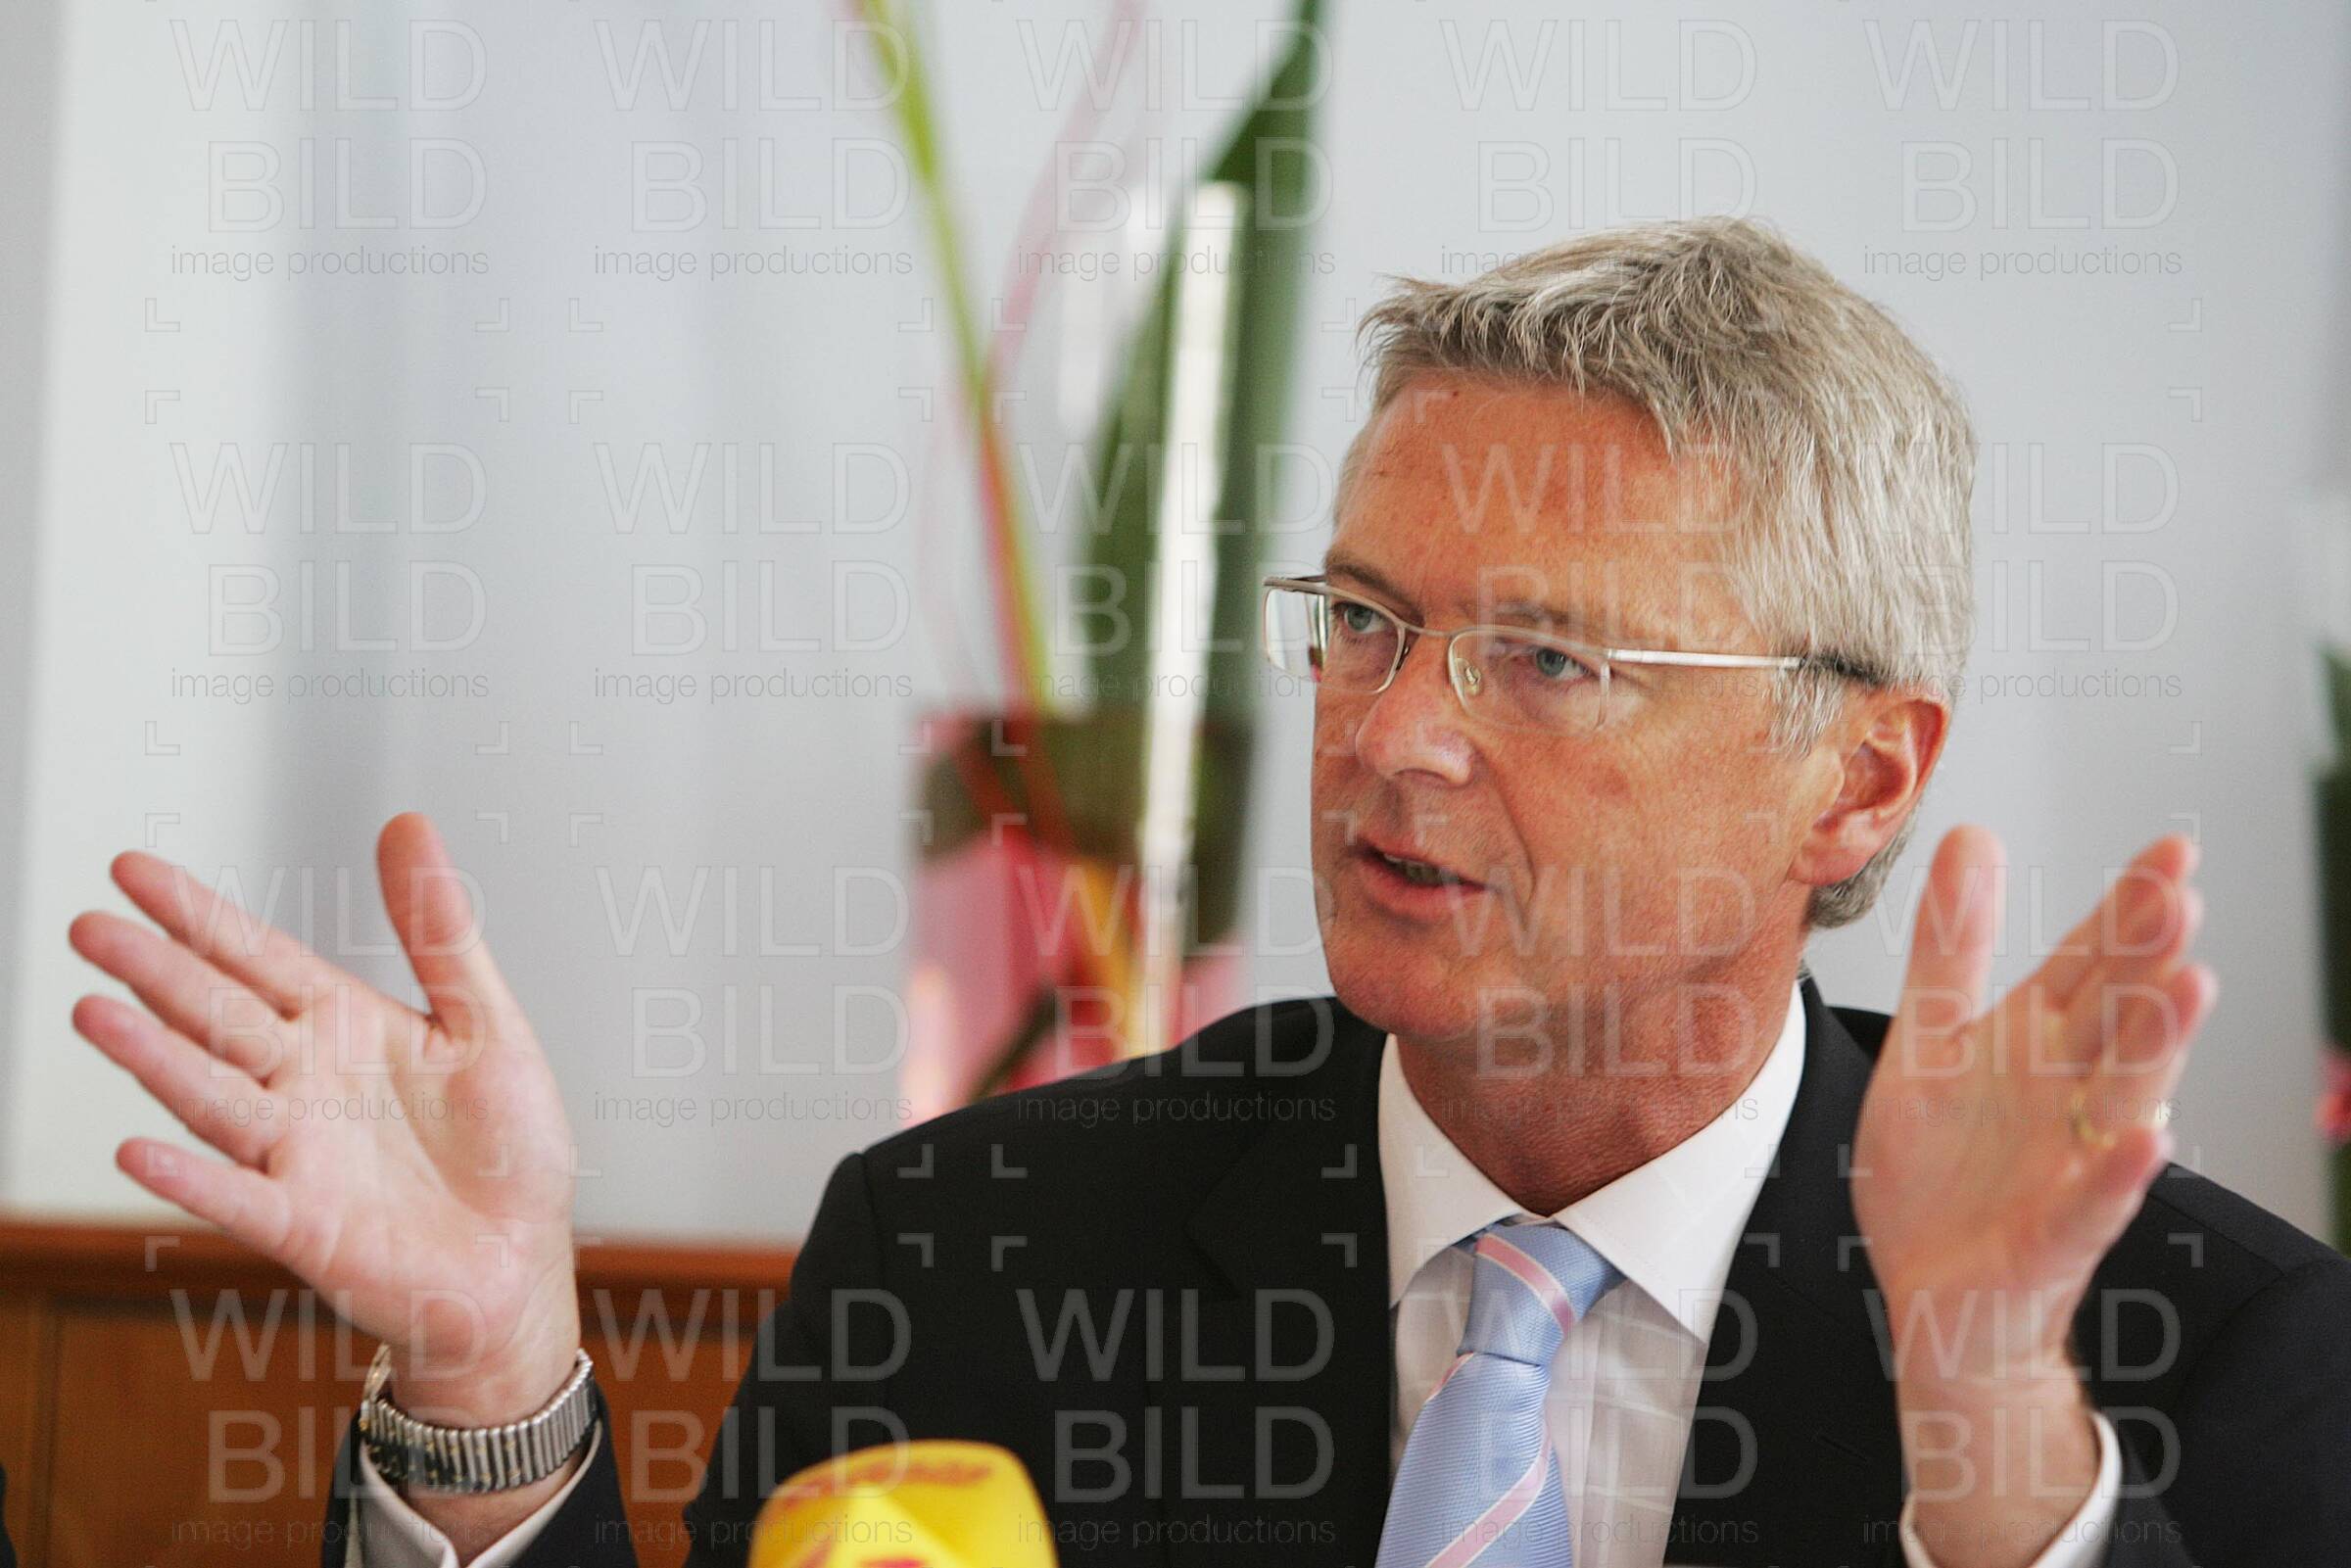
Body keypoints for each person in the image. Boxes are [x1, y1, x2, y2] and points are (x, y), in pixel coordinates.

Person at [68, 217, 2350, 1568]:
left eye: (1548, 659)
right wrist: (491, 1376)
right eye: (1363, 620)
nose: (1394, 735)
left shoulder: (2201, 1346)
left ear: (1854, 779)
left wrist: (1989, 1423)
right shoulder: (968, 1255)